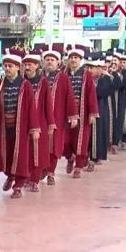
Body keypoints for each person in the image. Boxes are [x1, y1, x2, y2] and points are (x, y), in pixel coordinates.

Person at [0, 47, 39, 199]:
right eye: (5, 66)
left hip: (21, 127)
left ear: (18, 67)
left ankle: (18, 184)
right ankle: (10, 176)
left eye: (10, 66)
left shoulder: (25, 85)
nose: (7, 69)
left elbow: (32, 108)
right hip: (4, 127)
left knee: (21, 156)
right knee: (7, 154)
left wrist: (34, 128)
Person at [43, 44, 78, 186]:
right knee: (40, 145)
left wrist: (73, 115)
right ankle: (40, 170)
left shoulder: (63, 78)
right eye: (47, 59)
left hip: (58, 117)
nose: (49, 62)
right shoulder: (39, 77)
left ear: (58, 62)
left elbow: (70, 97)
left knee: (55, 146)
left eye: (52, 59)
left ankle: (51, 173)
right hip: (41, 118)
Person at [63, 43, 99, 179]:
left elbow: (91, 95)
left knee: (81, 140)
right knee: (65, 140)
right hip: (65, 112)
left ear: (80, 59)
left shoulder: (86, 75)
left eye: (76, 57)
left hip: (82, 112)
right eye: (71, 57)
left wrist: (92, 113)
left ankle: (78, 166)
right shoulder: (63, 74)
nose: (73, 60)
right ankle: (69, 157)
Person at [22, 49, 54, 192]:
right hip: (23, 122)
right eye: (25, 64)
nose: (27, 67)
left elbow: (48, 104)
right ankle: (26, 177)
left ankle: (35, 180)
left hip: (40, 121)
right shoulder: (21, 82)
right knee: (26, 151)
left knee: (39, 152)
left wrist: (51, 123)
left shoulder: (43, 83)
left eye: (30, 64)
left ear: (36, 66)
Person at [89, 54, 112, 169]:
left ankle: (95, 157)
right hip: (86, 109)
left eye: (97, 67)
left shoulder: (105, 79)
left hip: (100, 108)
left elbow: (103, 92)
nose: (93, 70)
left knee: (98, 133)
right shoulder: (86, 78)